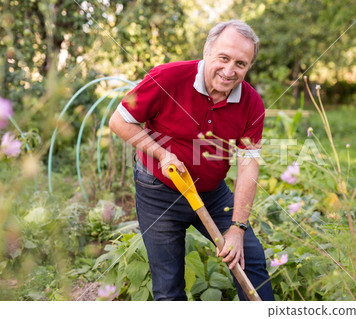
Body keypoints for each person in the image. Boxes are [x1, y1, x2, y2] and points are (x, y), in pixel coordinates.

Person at [109, 20, 274, 301]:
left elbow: (248, 166)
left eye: (240, 63)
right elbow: (119, 122)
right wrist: (162, 153)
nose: (229, 70)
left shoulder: (251, 103)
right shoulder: (167, 77)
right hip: (158, 190)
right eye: (223, 58)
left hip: (212, 192)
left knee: (251, 261)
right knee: (168, 284)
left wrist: (237, 228)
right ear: (207, 52)